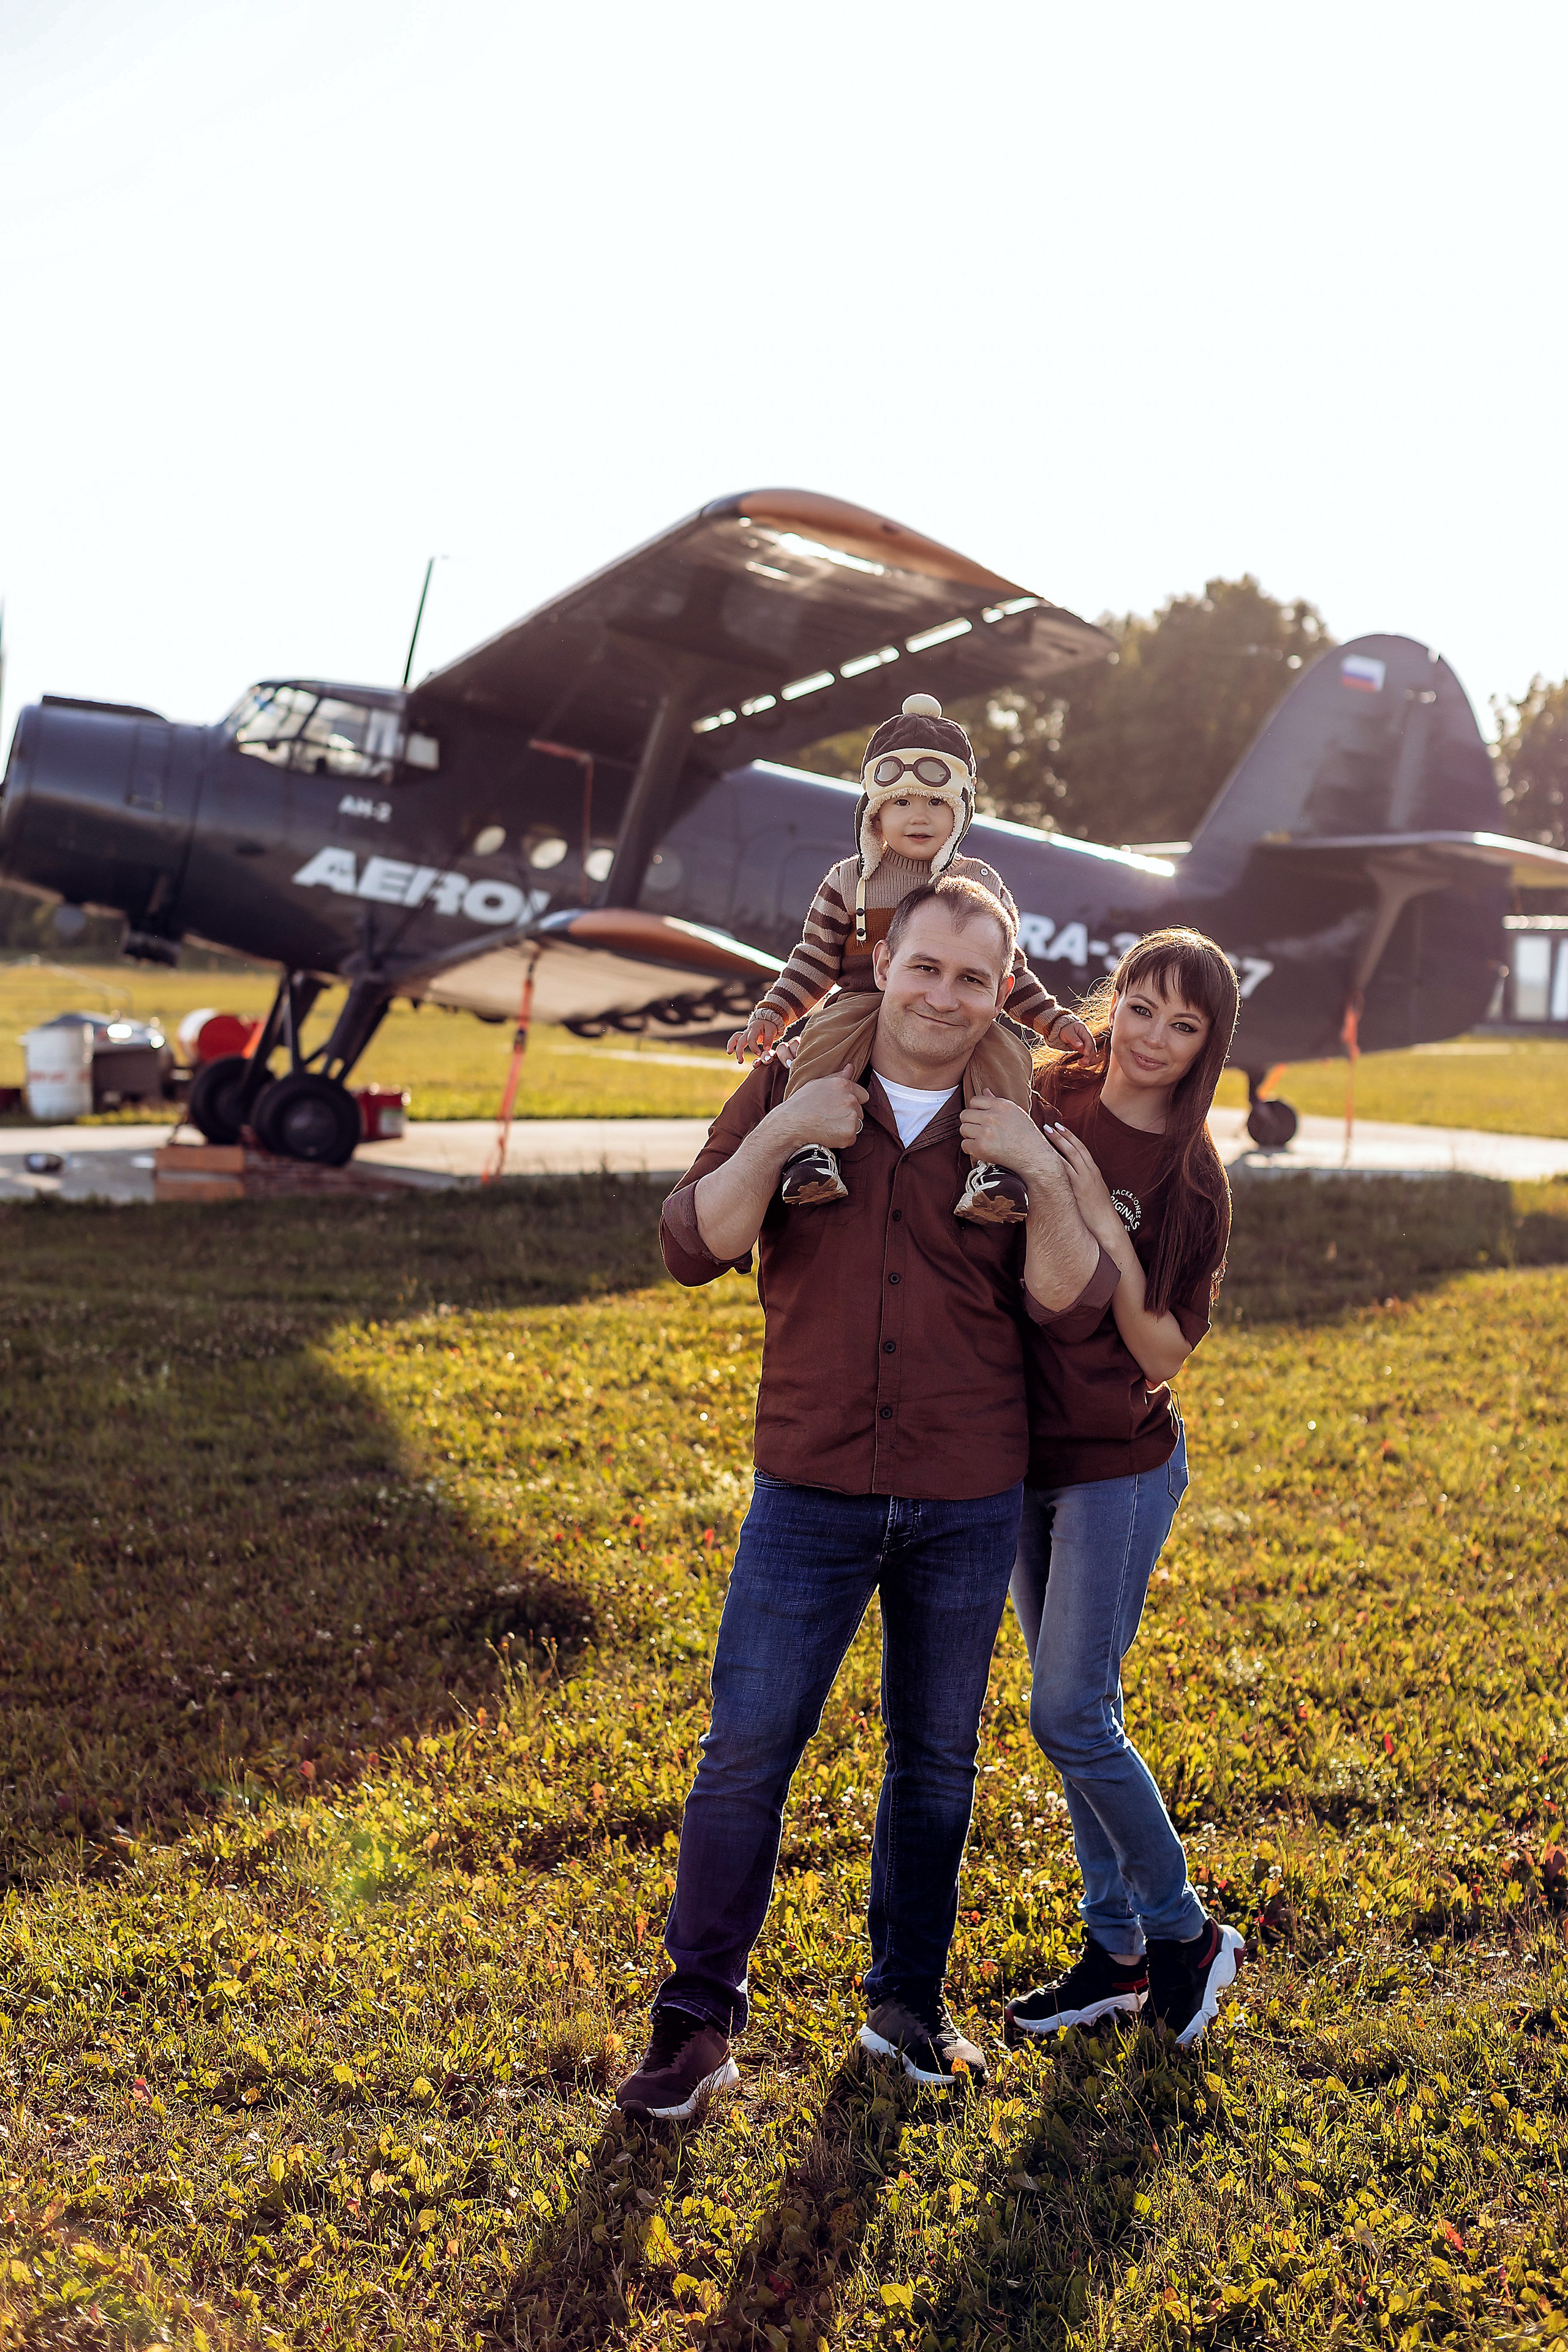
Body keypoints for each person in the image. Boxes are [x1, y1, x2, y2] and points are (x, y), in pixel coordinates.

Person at [614, 878, 1112, 2120]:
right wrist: (783, 1137)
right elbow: (690, 1246)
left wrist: (1040, 1180)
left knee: (934, 1762)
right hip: (811, 1482)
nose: (944, 996)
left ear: (1002, 989)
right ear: (882, 963)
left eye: (972, 977)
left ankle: (905, 2005)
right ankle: (693, 2023)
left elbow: (1071, 1301)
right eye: (925, 968)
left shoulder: (1021, 1113)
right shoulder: (797, 1082)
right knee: (745, 1753)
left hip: (963, 1490)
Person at [955, 927, 1246, 2049]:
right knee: (1085, 1719)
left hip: (1120, 1464)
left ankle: (1187, 1936)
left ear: (1208, 1046)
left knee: (1070, 1713)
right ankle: (1116, 1957)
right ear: (1113, 1001)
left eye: (1186, 1028)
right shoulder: (1052, 1088)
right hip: (1022, 1451)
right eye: (1143, 1009)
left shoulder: (1191, 1177)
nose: (1155, 1041)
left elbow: (1166, 1349)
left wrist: (1099, 1228)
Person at [727, 692, 1091, 1224]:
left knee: (1007, 1056)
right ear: (875, 811)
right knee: (823, 1045)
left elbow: (1009, 970)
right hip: (861, 1002)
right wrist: (772, 1014)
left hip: (954, 1005)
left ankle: (994, 1171)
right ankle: (810, 1153)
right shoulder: (848, 881)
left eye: (936, 803)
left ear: (961, 809)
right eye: (901, 802)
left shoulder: (980, 883)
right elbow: (813, 959)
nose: (919, 817)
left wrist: (1052, 1020)